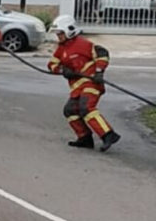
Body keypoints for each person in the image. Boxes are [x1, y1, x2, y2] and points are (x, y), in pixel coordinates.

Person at [48, 15, 121, 152]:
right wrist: (63, 70)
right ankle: (85, 138)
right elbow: (52, 64)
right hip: (77, 88)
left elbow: (102, 53)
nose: (58, 36)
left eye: (60, 33)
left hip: (91, 83)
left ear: (69, 30)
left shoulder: (83, 44)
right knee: (70, 110)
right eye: (57, 34)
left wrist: (99, 71)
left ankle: (108, 134)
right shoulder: (61, 49)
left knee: (86, 107)